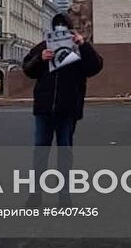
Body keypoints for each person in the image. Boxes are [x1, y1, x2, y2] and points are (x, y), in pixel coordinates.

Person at [22, 12, 103, 205]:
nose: (60, 29)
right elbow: (27, 69)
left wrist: (84, 45)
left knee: (64, 154)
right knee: (40, 153)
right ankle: (36, 194)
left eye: (63, 27)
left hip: (67, 109)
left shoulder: (78, 47)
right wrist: (39, 59)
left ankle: (64, 195)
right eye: (57, 26)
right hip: (44, 108)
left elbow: (95, 67)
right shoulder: (43, 46)